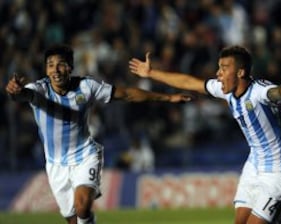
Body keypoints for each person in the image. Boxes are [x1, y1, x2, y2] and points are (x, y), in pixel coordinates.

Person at [129, 45, 281, 224]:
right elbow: (189, 82)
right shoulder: (225, 91)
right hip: (254, 166)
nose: (218, 73)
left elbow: (278, 92)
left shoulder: (258, 91)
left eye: (224, 68)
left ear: (240, 72)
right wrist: (151, 73)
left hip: (278, 171)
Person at [5, 44, 191, 224]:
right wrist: (15, 91)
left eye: (61, 64)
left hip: (85, 155)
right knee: (73, 220)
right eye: (51, 65)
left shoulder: (86, 87)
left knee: (82, 206)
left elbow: (126, 94)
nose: (56, 70)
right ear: (46, 70)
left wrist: (168, 98)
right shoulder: (39, 90)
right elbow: (22, 95)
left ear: (70, 67)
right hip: (56, 164)